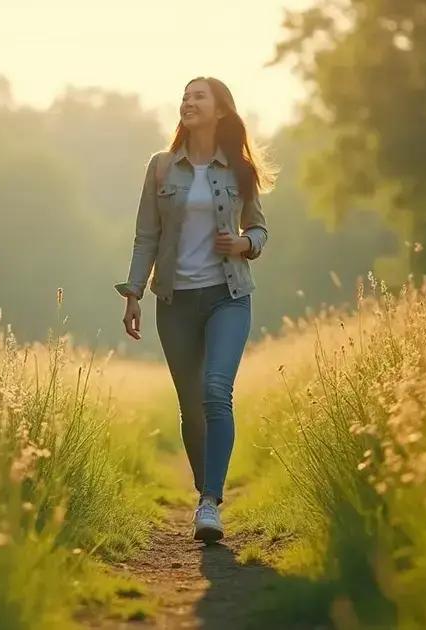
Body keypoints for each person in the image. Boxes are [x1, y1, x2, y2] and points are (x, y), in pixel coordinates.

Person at [115, 76, 274, 543]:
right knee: (191, 406)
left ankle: (209, 502)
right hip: (176, 301)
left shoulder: (240, 169)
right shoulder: (162, 167)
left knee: (215, 390)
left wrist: (244, 244)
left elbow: (259, 229)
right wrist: (133, 293)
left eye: (198, 96)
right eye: (184, 97)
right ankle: (205, 490)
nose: (188, 102)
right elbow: (146, 236)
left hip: (228, 295)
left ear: (220, 110)